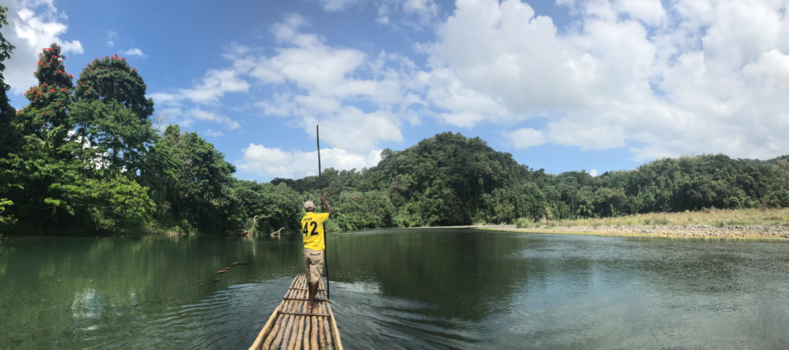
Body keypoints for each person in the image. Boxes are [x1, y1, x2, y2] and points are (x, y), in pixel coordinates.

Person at [301, 195, 332, 312]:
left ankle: (311, 299)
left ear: (305, 210)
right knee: (315, 278)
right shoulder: (318, 217)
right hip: (316, 251)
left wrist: (321, 231)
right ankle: (311, 303)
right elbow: (330, 211)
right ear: (313, 209)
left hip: (306, 251)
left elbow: (310, 232)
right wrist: (324, 201)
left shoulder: (303, 220)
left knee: (309, 277)